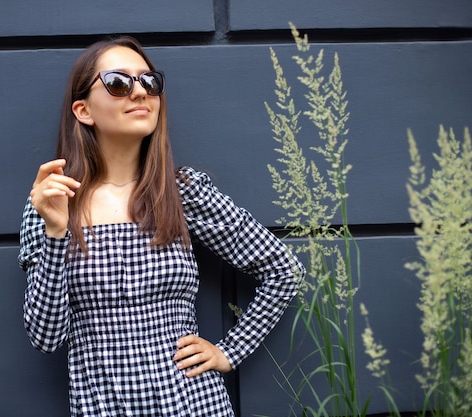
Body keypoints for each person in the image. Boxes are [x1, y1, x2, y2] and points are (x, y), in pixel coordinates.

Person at [18, 36, 305, 416]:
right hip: (103, 407)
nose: (140, 93)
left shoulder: (183, 194)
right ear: (83, 110)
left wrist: (229, 352)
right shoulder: (52, 201)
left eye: (150, 82)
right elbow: (45, 337)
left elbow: (285, 271)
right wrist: (56, 233)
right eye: (119, 83)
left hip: (193, 404)